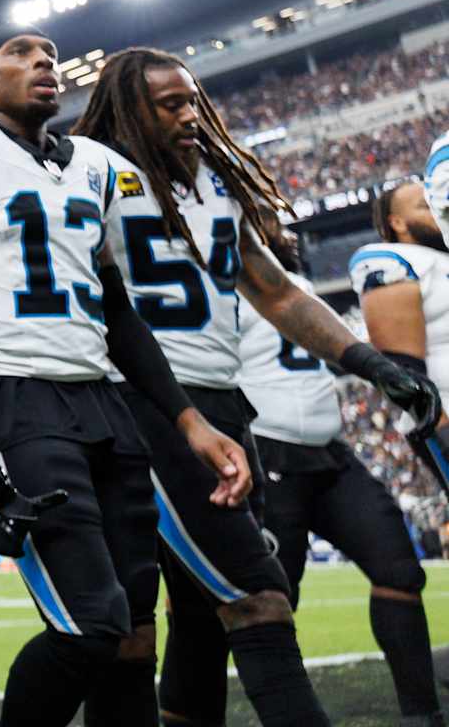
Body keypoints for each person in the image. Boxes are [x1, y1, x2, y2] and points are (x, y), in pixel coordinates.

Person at [72, 47, 441, 726]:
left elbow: (274, 291)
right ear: (128, 108)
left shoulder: (211, 180)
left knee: (195, 622)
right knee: (258, 597)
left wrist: (370, 362)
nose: (192, 115)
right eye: (171, 104)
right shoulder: (91, 168)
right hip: (147, 405)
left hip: (222, 403)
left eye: (193, 100)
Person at [0, 30, 251, 727]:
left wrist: (189, 421)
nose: (44, 63)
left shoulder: (95, 164)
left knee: (127, 634)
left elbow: (118, 310)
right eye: (21, 53)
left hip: (100, 395)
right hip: (13, 389)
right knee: (91, 624)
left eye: (51, 55)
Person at [240, 220, 445, 727]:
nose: (278, 227)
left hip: (330, 453)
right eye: (262, 220)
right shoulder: (224, 286)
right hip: (270, 452)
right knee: (272, 604)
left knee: (399, 571)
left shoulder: (299, 288)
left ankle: (422, 715)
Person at [363, 176, 449, 496]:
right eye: (423, 206)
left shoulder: (441, 261)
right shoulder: (392, 263)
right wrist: (439, 428)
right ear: (397, 222)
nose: (435, 210)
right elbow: (399, 369)